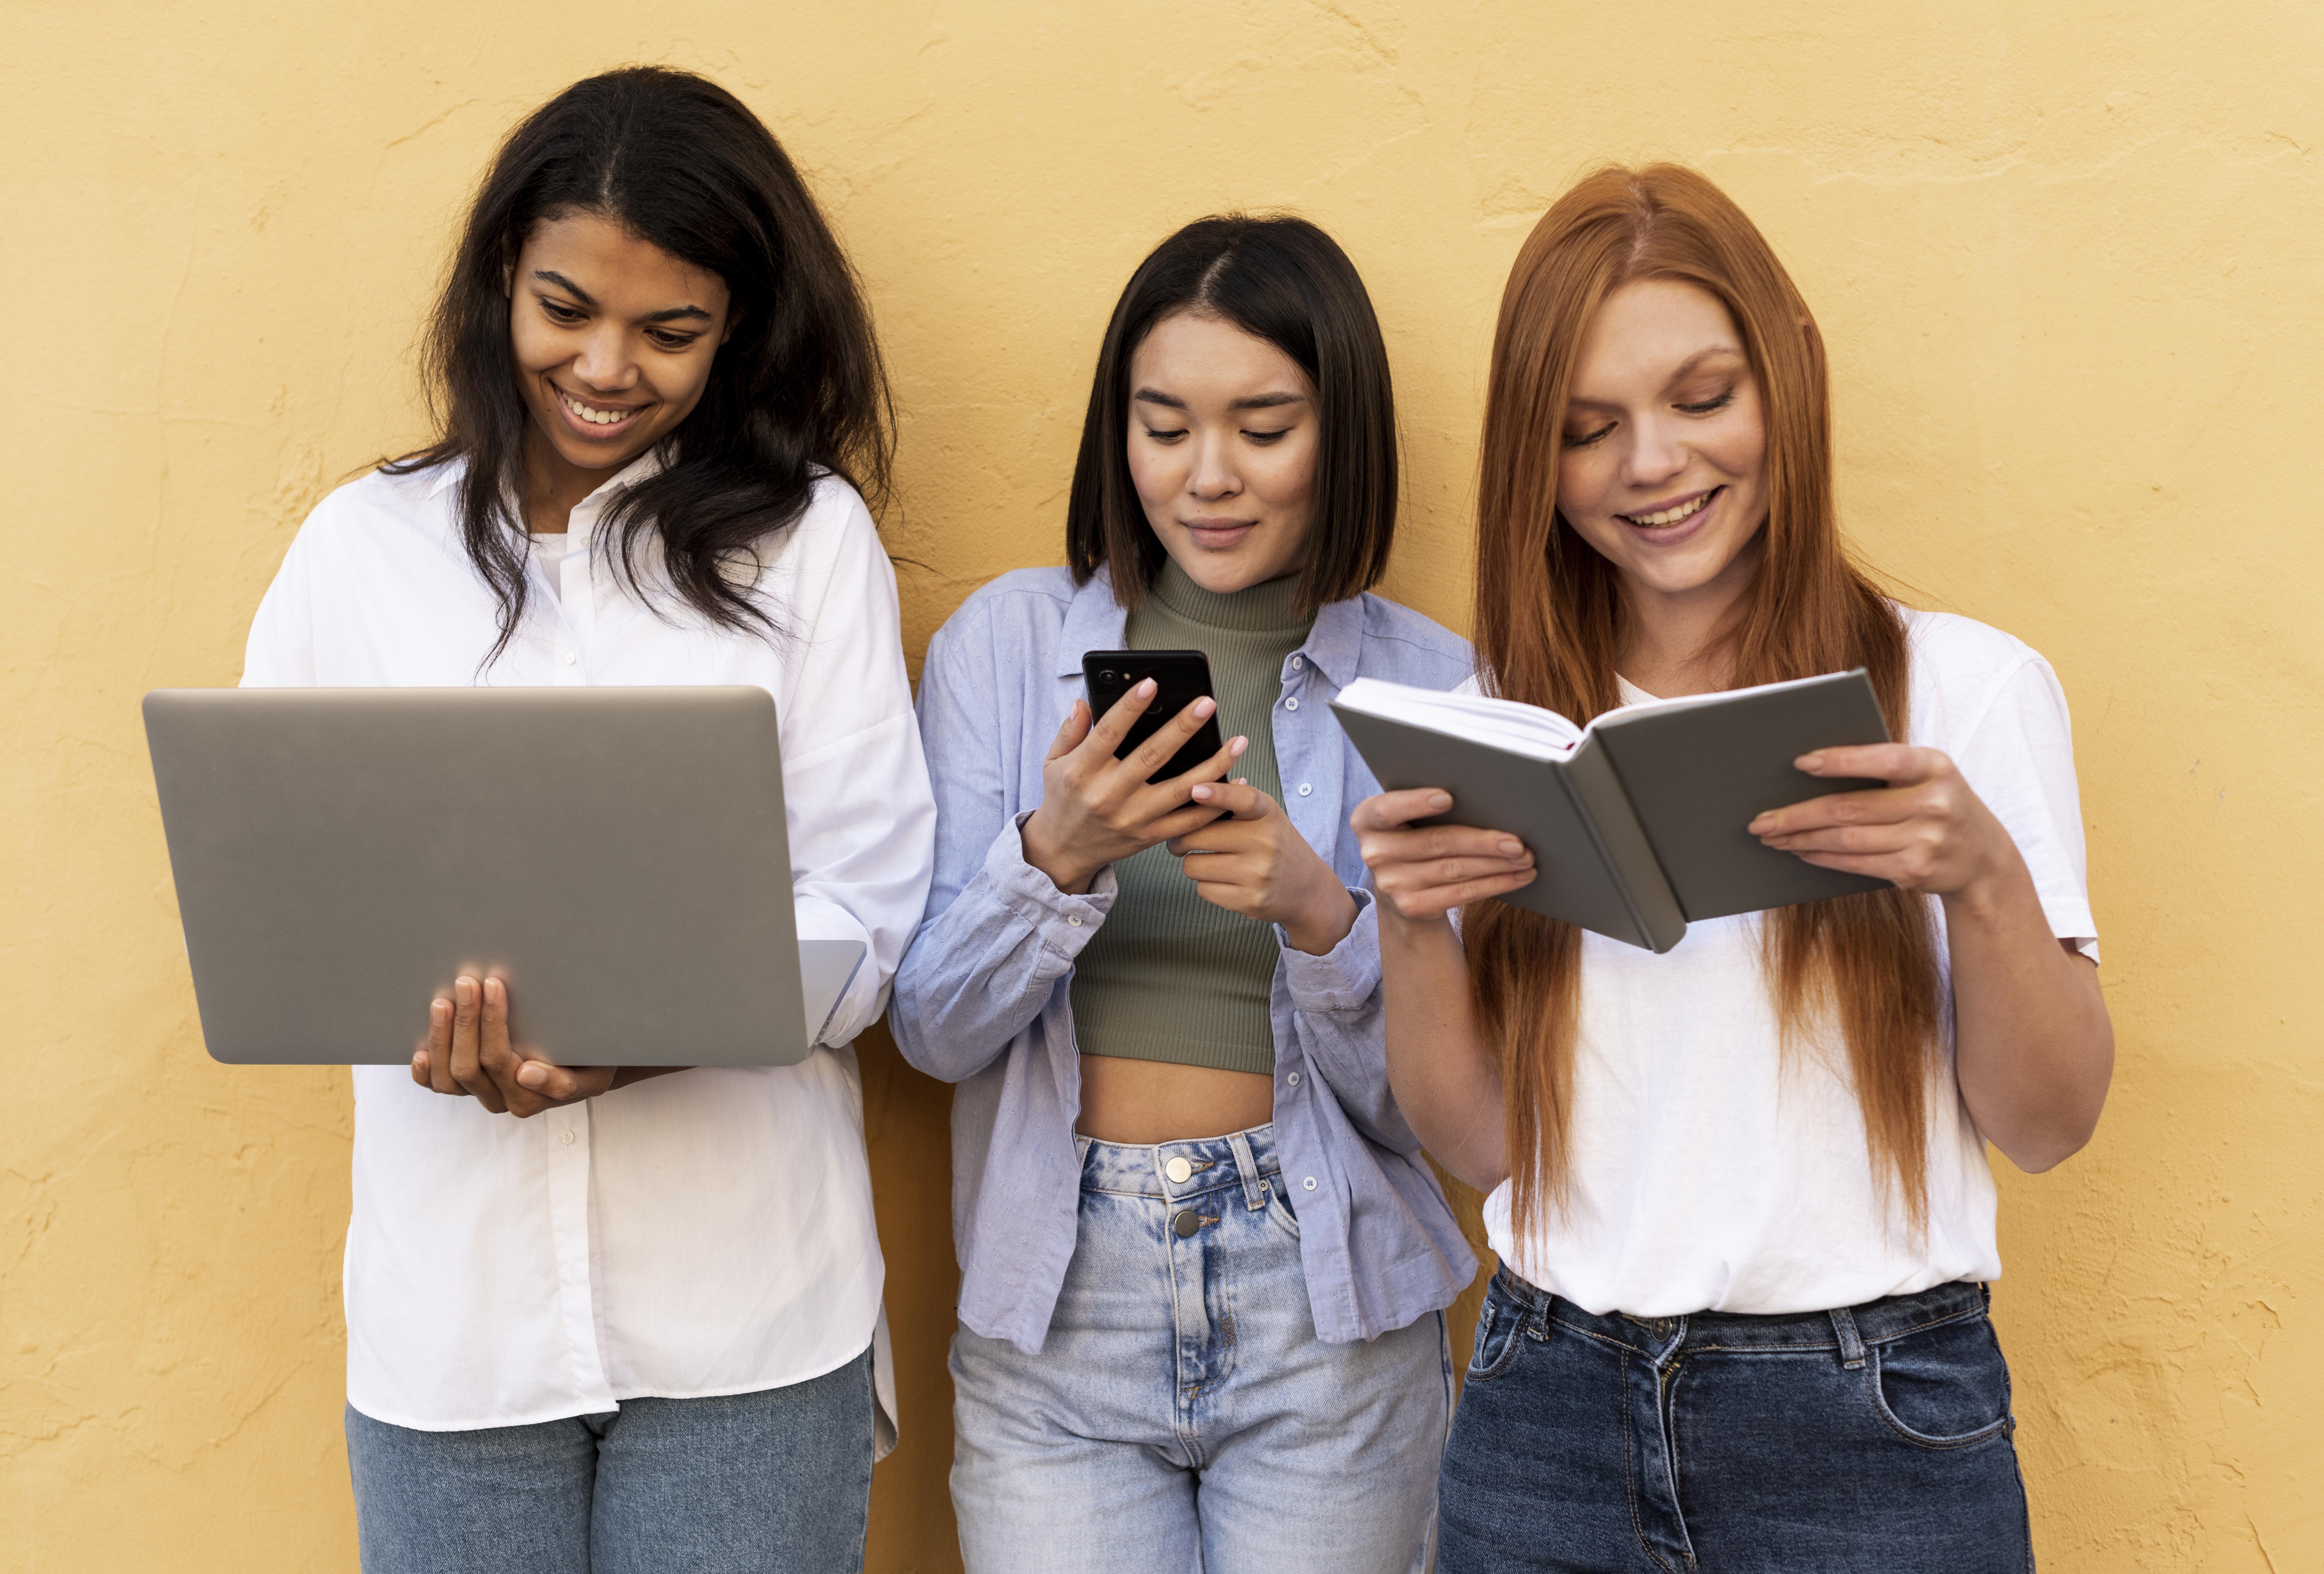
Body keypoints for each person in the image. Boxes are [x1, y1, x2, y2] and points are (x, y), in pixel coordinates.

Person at [1352, 164, 2113, 1573]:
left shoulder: (1962, 689)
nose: (1649, 464)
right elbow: (1480, 1147)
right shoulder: (1505, 715)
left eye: (1701, 399)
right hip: (1544, 1407)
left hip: (1871, 1425)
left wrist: (1981, 881)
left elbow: (2048, 1121)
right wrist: (1412, 925)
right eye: (1587, 430)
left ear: (1788, 377)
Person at [239, 68, 933, 1574]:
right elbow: (276, 883)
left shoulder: (804, 545)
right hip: (456, 1324)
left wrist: (650, 1022)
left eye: (671, 331)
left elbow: (871, 910)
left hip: (745, 1316)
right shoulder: (359, 555)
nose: (607, 367)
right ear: (502, 277)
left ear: (738, 325)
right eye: (567, 309)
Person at [891, 215, 1476, 1573]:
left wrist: (1321, 915)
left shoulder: (1435, 691)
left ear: (1343, 435)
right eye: (1163, 428)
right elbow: (931, 1030)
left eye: (1263, 428)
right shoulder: (1004, 644)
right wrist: (1057, 855)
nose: (1207, 477)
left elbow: (1435, 1112)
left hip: (1327, 1309)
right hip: (1057, 1308)